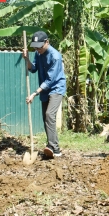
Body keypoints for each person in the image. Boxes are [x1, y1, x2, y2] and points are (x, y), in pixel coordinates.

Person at [22, 31, 66, 159]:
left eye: (39, 47)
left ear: (47, 42)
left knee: (49, 115)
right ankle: (50, 146)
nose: (37, 49)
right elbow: (33, 68)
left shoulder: (55, 56)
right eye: (35, 47)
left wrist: (34, 94)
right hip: (45, 89)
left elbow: (50, 80)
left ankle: (55, 148)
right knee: (45, 118)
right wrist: (27, 59)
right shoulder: (37, 53)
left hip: (56, 88)